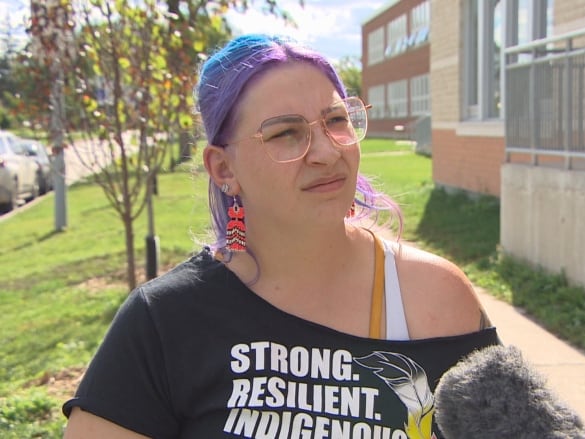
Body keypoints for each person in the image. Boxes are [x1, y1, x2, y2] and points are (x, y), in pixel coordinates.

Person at [62, 34, 499, 438]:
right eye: (286, 133)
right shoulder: (163, 320)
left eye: (336, 120)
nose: (327, 153)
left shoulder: (436, 298)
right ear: (224, 169)